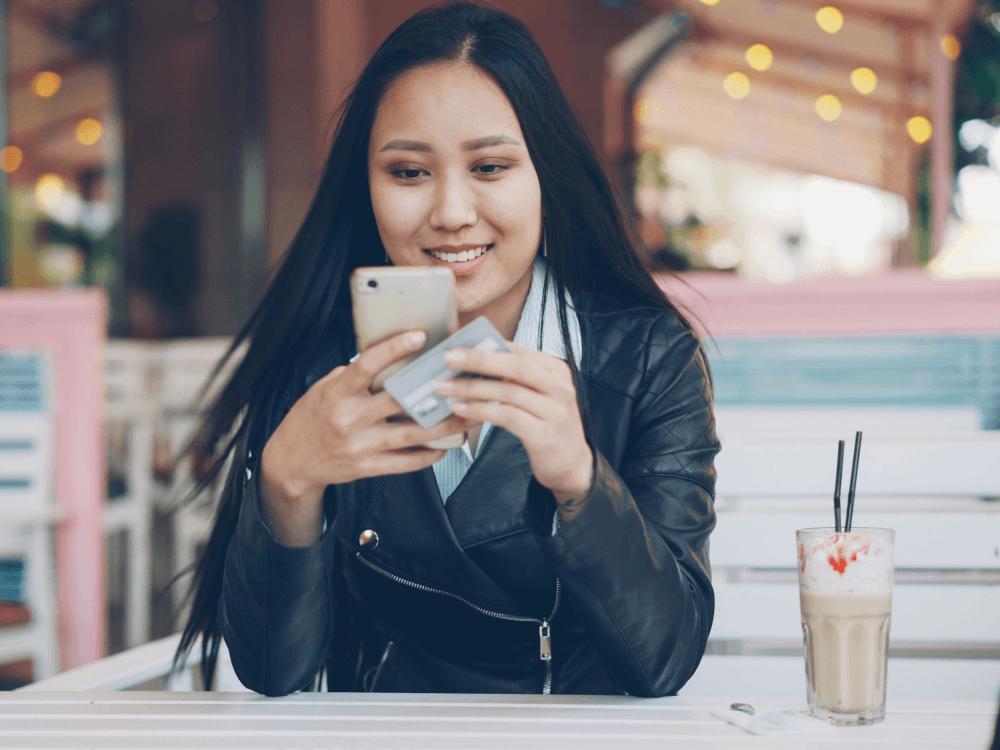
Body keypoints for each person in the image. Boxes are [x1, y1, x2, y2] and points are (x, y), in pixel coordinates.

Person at [176, 1, 719, 697]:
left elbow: (665, 660)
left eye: (490, 167)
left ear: (546, 174)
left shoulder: (647, 355)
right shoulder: (322, 354)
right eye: (408, 173)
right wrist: (285, 483)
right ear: (365, 185)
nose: (452, 212)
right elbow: (272, 672)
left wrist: (580, 482)